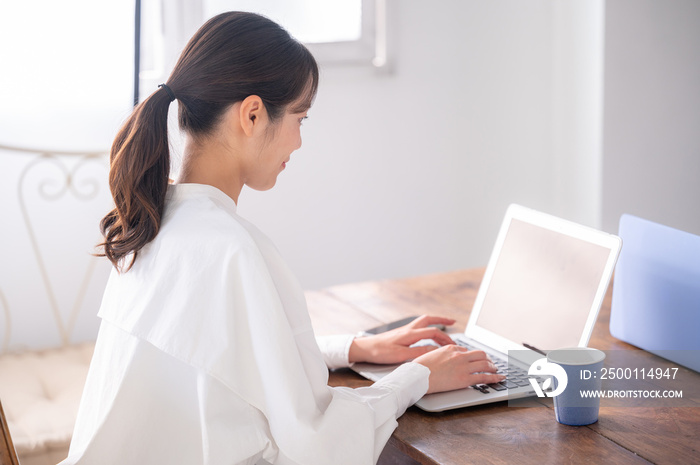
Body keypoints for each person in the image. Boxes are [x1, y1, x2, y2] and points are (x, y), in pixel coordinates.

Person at [60, 11, 503, 465]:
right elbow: (318, 445)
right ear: (252, 114)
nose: (298, 142)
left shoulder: (152, 219)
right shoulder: (233, 250)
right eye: (300, 118)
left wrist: (352, 349)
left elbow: (223, 356)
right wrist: (416, 378)